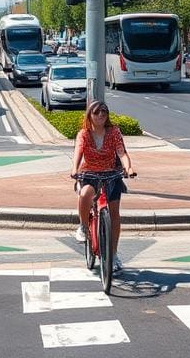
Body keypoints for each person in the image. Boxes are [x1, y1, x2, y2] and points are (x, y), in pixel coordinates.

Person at [71, 101, 135, 272]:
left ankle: (113, 254)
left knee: (114, 213)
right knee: (85, 194)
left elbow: (122, 152)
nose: (100, 115)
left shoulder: (114, 132)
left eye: (104, 112)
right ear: (89, 115)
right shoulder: (84, 134)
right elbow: (78, 151)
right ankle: (83, 226)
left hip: (111, 174)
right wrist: (74, 169)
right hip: (89, 173)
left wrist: (128, 168)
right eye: (97, 112)